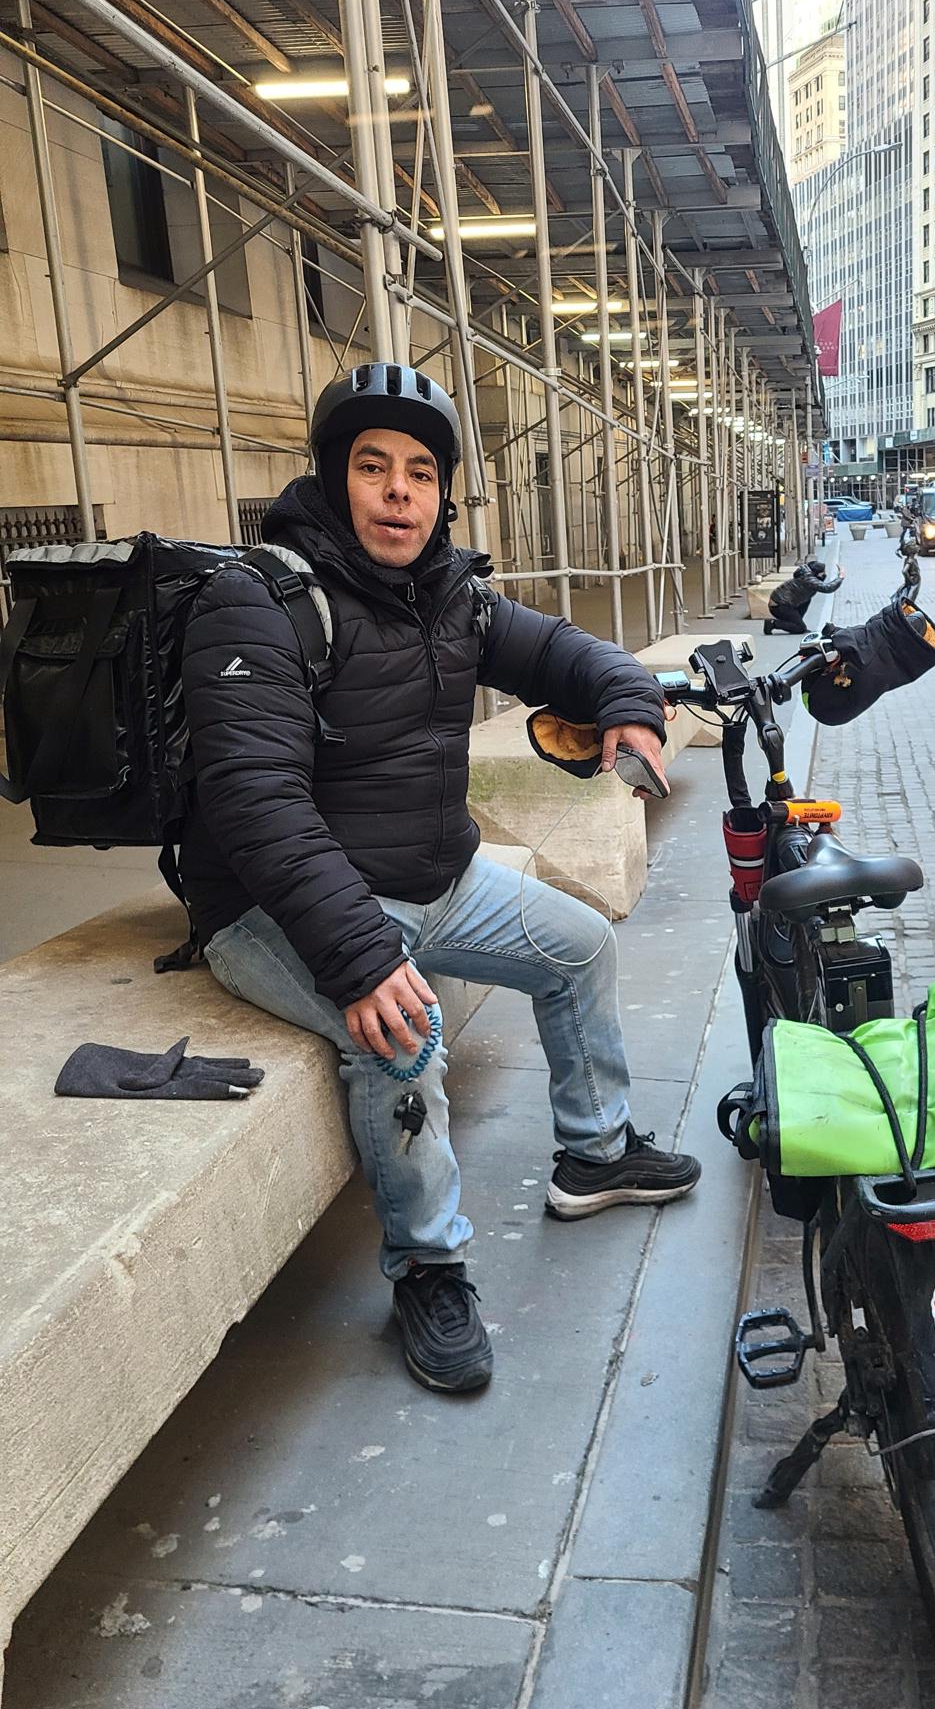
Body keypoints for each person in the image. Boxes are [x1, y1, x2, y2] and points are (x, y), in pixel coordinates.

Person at [180, 363, 699, 1396]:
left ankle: (594, 1156)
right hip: (275, 912)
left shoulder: (449, 598)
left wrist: (630, 698)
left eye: (420, 472)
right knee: (401, 1034)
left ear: (443, 492)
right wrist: (364, 956)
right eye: (373, 468)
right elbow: (254, 802)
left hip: (435, 879)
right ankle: (429, 1266)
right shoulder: (257, 602)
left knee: (582, 943)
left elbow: (563, 652)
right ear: (333, 481)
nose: (399, 492)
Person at [765, 555, 843, 635]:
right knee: (800, 628)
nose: (825, 574)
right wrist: (840, 577)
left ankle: (796, 622)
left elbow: (819, 584)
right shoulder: (808, 580)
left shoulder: (806, 575)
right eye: (823, 572)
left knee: (807, 599)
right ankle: (772, 623)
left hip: (783, 602)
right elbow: (827, 588)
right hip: (779, 606)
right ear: (817, 573)